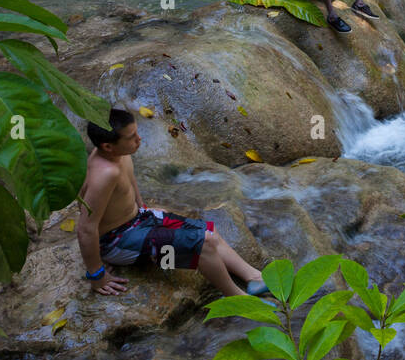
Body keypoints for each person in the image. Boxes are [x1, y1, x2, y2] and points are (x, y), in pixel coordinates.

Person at [76, 109, 269, 298]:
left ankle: (254, 277)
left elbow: (130, 181)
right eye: (132, 136)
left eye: (137, 132)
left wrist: (143, 210)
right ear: (108, 146)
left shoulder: (120, 152)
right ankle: (236, 298)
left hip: (137, 221)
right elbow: (86, 228)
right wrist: (96, 273)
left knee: (209, 232)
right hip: (116, 243)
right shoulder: (104, 174)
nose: (139, 139)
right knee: (202, 245)